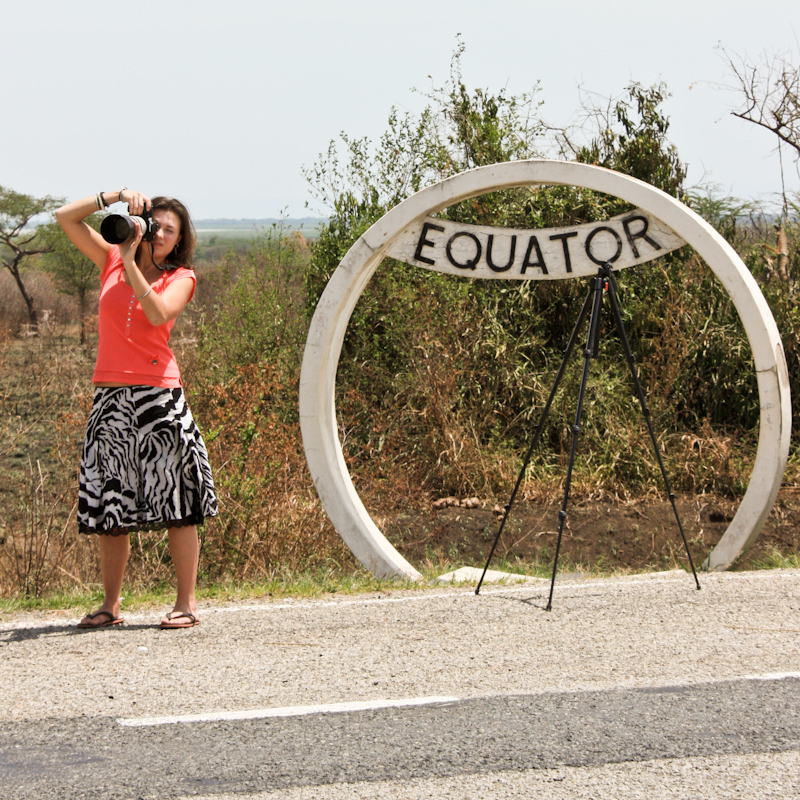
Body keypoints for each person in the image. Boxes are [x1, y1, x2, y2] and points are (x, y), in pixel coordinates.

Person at [55, 187, 218, 629]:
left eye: (171, 229)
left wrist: (130, 263)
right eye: (156, 225)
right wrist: (112, 195)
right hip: (109, 396)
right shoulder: (110, 257)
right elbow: (64, 217)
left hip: (158, 396)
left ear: (179, 239)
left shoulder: (181, 276)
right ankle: (111, 606)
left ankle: (186, 604)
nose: (161, 233)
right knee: (112, 504)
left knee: (178, 499)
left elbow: (159, 313)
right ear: (142, 226)